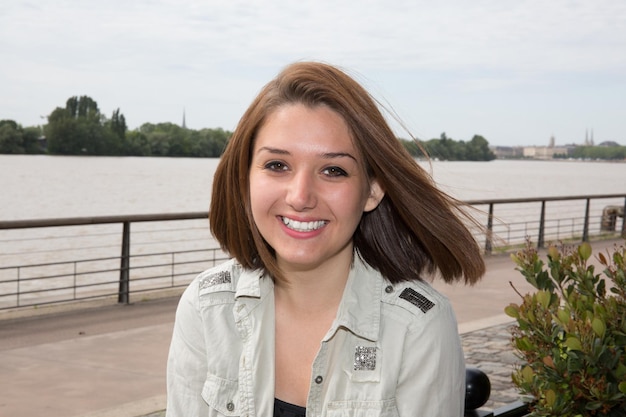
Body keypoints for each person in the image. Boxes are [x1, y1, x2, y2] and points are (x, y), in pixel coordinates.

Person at [166, 61, 485, 417]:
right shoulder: (208, 309)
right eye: (277, 165)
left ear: (373, 189)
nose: (300, 196)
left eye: (333, 170)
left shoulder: (417, 326)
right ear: (245, 178)